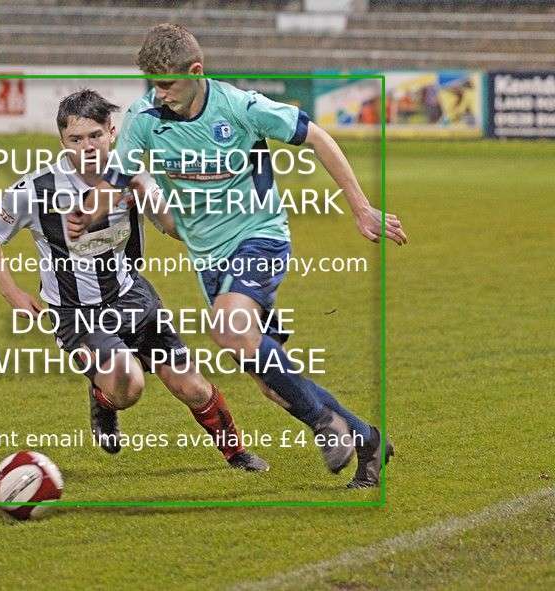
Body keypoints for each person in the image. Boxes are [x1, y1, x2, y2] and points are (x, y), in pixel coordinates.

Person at [67, 24, 407, 489]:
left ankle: (329, 426)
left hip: (259, 238)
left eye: (166, 82)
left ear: (196, 72)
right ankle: (367, 441)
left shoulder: (242, 107)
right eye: (151, 83)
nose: (158, 92)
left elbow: (319, 138)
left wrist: (361, 207)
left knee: (229, 329)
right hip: (210, 263)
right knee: (271, 384)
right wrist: (89, 213)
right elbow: (118, 181)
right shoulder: (145, 119)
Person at [0, 88, 268, 472]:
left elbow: (172, 228)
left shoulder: (132, 177)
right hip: (76, 313)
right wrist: (10, 291)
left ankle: (236, 454)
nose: (87, 147)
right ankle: (105, 396)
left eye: (95, 135)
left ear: (112, 132)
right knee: (130, 386)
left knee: (192, 387)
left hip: (133, 298)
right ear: (62, 142)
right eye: (75, 140)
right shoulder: (36, 189)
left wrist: (156, 197)